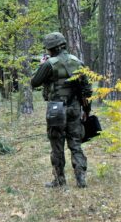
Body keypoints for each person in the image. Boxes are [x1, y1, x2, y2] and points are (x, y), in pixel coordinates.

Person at [31, 32, 92, 188]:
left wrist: (41, 65)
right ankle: (81, 179)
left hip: (56, 109)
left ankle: (59, 180)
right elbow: (86, 90)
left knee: (57, 145)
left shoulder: (49, 64)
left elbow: (34, 82)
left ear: (51, 48)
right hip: (74, 108)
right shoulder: (78, 62)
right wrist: (86, 110)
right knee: (76, 144)